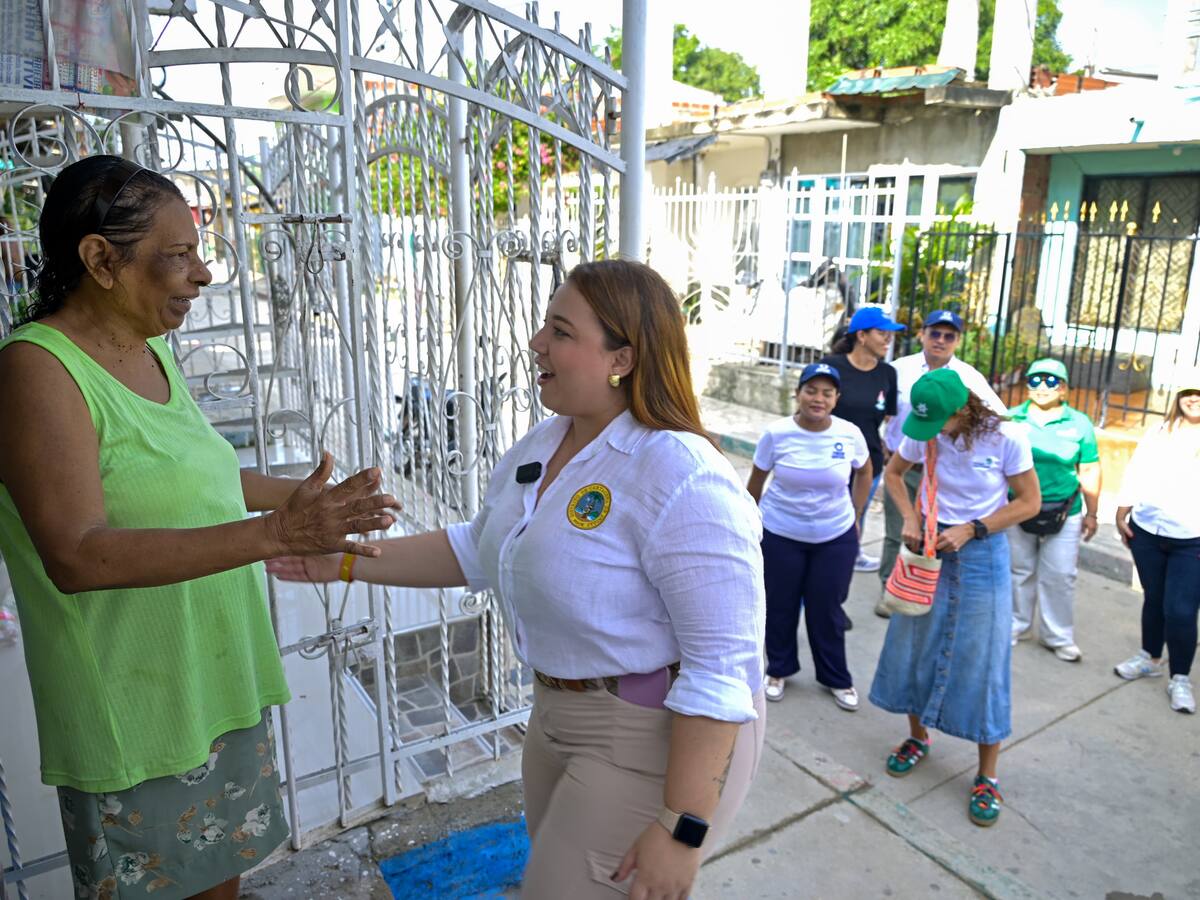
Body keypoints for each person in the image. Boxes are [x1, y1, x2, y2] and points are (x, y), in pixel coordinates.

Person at [269, 259, 766, 900]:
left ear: (623, 357)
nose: (536, 343)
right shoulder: (544, 442)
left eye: (560, 331)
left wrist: (681, 827)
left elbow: (721, 671)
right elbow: (477, 549)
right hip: (555, 714)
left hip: (648, 736)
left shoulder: (681, 475)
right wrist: (341, 562)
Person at [0, 155, 397, 900]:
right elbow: (76, 556)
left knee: (219, 888)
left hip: (210, 681)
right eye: (178, 256)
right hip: (135, 708)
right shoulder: (37, 371)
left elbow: (199, 477)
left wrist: (315, 502)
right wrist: (280, 535)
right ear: (99, 261)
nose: (204, 274)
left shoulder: (148, 349)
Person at [871, 368, 1040, 827]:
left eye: (941, 423)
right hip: (930, 548)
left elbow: (1029, 502)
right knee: (912, 646)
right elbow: (893, 473)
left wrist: (973, 528)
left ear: (964, 408)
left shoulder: (1007, 436)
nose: (934, 435)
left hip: (983, 554)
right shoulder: (925, 428)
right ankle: (918, 737)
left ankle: (988, 776)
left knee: (984, 662)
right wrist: (909, 515)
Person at [747, 362, 871, 711]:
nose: (818, 398)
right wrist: (749, 522)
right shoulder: (777, 433)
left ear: (836, 399)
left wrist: (856, 512)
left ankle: (836, 677)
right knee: (780, 605)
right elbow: (756, 482)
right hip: (781, 532)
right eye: (811, 391)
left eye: (827, 393)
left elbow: (865, 472)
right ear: (798, 394)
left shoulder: (849, 433)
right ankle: (779, 669)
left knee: (827, 608)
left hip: (835, 534)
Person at [876, 309, 1007, 617]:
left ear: (957, 340)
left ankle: (928, 592)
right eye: (935, 333)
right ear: (922, 334)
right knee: (900, 530)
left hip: (945, 471)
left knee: (934, 536)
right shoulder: (899, 369)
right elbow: (881, 408)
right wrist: (881, 441)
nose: (941, 341)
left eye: (949, 336)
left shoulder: (969, 378)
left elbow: (997, 418)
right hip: (906, 461)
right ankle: (892, 590)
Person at [1113, 371, 1200, 714]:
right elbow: (1136, 471)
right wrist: (1122, 513)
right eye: (1189, 392)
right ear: (1178, 396)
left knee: (1180, 610)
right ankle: (1150, 657)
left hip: (1191, 538)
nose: (1194, 398)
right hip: (1147, 529)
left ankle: (1180, 677)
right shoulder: (1159, 432)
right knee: (1154, 599)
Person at [1007, 358, 1102, 662]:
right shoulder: (1010, 419)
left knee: (1060, 574)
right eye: (1035, 380)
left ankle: (1057, 635)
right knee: (1018, 570)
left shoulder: (1079, 423)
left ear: (1064, 389)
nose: (1042, 386)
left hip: (1064, 509)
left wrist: (1092, 512)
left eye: (1051, 381)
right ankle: (1016, 625)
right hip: (1018, 507)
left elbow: (1089, 468)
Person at [822, 306, 904, 573]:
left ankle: (850, 556)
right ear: (861, 336)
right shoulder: (831, 367)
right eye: (882, 333)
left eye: (890, 334)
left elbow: (887, 417)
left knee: (857, 514)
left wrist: (885, 447)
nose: (887, 340)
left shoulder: (887, 374)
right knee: (824, 517)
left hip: (868, 462)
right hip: (828, 459)